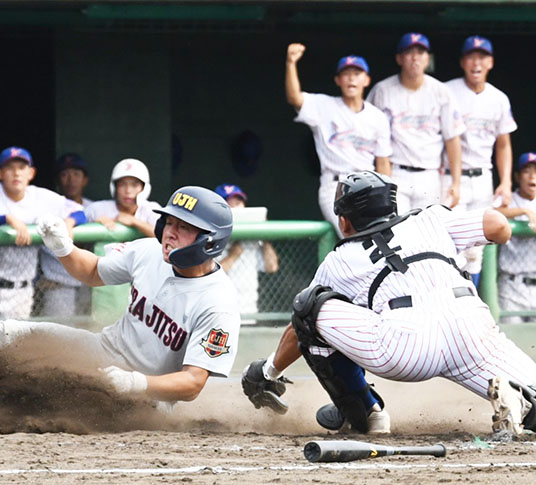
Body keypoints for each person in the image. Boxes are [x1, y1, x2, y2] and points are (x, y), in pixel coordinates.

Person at [0, 186, 240, 407]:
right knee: (4, 334)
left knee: (34, 394)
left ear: (209, 242)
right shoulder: (148, 252)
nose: (170, 232)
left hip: (147, 400)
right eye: (169, 221)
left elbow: (192, 383)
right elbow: (91, 271)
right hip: (104, 351)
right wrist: (63, 248)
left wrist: (135, 383)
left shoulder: (218, 303)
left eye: (184, 227)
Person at [242, 171, 536, 436]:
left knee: (309, 306)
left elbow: (300, 326)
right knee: (532, 394)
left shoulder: (339, 260)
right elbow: (499, 227)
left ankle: (363, 411)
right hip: (472, 330)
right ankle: (522, 401)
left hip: (406, 346)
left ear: (343, 221)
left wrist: (267, 370)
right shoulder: (430, 218)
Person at [0, 147, 85, 319]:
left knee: (14, 344)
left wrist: (69, 223)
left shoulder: (41, 197)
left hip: (20, 290)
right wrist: (5, 219)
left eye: (21, 168)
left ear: (31, 173)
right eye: (10, 168)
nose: (16, 173)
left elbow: (80, 212)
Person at [285, 43, 392, 231]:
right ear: (337, 80)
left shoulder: (377, 117)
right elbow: (295, 98)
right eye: (346, 74)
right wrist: (290, 63)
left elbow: (383, 163)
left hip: (368, 184)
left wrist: (386, 195)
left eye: (357, 73)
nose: (351, 78)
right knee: (356, 235)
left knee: (379, 235)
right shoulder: (324, 106)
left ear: (366, 80)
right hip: (336, 185)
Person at [444, 36, 517, 288]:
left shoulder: (499, 98)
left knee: (477, 248)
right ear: (463, 62)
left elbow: (503, 143)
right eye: (472, 57)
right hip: (452, 177)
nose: (477, 62)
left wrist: (505, 181)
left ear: (491, 62)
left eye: (482, 57)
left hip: (483, 175)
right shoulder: (448, 91)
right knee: (449, 242)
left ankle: (470, 301)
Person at [367, 32, 466, 214]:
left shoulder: (441, 91)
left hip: (430, 174)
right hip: (395, 172)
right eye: (409, 52)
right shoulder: (382, 90)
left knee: (426, 234)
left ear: (428, 58)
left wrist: (456, 182)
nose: (415, 58)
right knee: (398, 233)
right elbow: (366, 132)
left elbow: (452, 139)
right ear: (399, 58)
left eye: (420, 52)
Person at [38, 153, 94, 316]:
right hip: (58, 284)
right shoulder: (47, 208)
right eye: (64, 174)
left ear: (85, 180)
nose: (70, 180)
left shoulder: (94, 208)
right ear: (57, 180)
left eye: (76, 174)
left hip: (89, 285)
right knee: (59, 336)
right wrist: (37, 278)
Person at [215, 184, 278, 321]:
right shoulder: (212, 237)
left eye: (238, 203)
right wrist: (233, 256)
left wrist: (264, 236)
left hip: (249, 311)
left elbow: (271, 267)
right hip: (221, 312)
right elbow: (210, 274)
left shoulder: (253, 239)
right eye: (230, 205)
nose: (235, 208)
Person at [496, 152, 536, 324]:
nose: (532, 176)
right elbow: (490, 213)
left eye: (535, 171)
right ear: (517, 176)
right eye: (527, 170)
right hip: (511, 286)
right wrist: (524, 212)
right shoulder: (507, 200)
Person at [84, 158, 161, 238]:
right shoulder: (97, 209)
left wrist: (134, 221)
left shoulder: (152, 209)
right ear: (115, 187)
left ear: (143, 188)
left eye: (134, 185)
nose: (128, 191)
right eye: (122, 184)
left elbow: (166, 235)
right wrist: (95, 224)